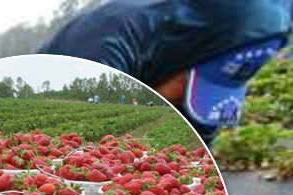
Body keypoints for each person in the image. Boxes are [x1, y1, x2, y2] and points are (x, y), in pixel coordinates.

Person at [41, 0, 291, 142]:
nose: (184, 102)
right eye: (190, 84)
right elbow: (67, 153)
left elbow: (200, 139)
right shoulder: (101, 50)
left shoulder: (253, 36)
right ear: (180, 54)